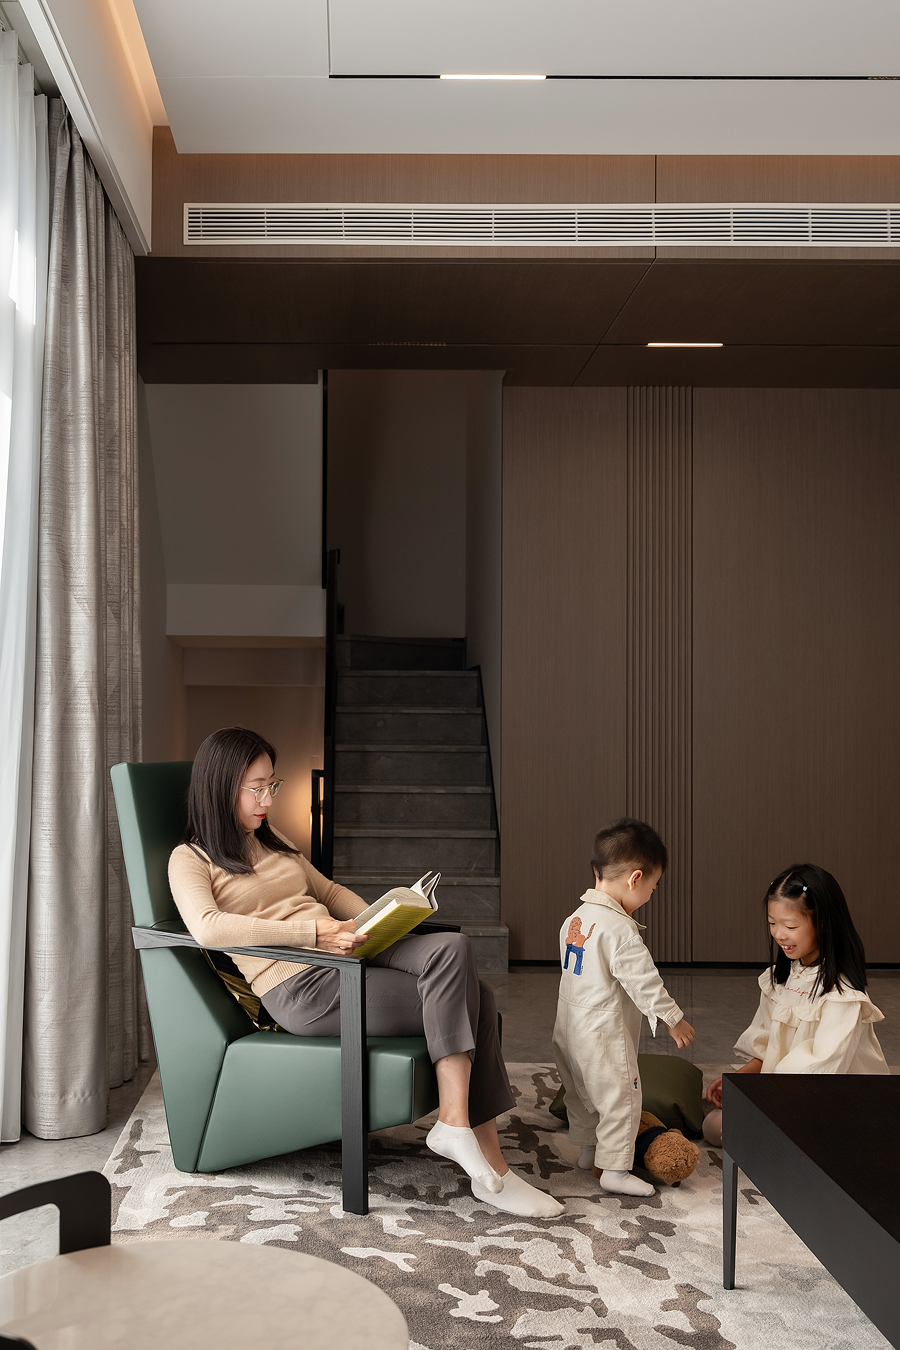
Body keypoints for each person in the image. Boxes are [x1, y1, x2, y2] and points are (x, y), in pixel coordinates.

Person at [168, 726, 563, 1219]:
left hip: (343, 951)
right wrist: (313, 934)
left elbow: (329, 892)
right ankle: (491, 1168)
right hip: (301, 986)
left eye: (273, 785)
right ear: (221, 785)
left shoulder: (271, 839)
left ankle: (457, 1126)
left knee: (452, 948)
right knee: (476, 997)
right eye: (258, 787)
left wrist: (375, 921)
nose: (268, 798)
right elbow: (208, 927)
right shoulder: (190, 858)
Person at [553, 818, 695, 1198]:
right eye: (653, 886)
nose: (651, 894)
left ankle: (588, 1152)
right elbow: (644, 981)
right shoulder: (620, 930)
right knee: (621, 1098)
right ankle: (615, 1169)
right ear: (635, 879)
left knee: (581, 1092)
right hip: (602, 1035)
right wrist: (672, 1018)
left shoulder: (574, 920)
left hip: (568, 1028)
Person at [703, 864, 889, 1145]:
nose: (779, 935)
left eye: (790, 926)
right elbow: (766, 1048)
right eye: (772, 923)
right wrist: (737, 1081)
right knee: (712, 1125)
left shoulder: (842, 994)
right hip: (783, 1094)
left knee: (737, 1130)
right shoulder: (780, 979)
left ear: (823, 923)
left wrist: (761, 1102)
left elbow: (819, 1071)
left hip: (829, 1101)